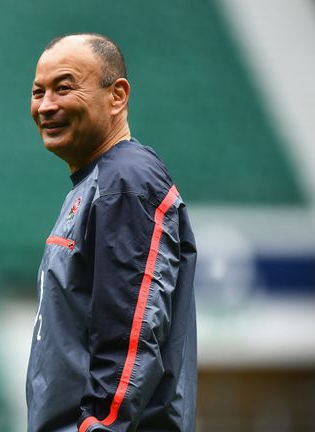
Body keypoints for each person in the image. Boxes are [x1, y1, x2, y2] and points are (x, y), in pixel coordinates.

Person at [25, 33, 197, 432]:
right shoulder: (98, 183)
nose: (46, 105)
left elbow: (132, 333)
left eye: (64, 87)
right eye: (38, 92)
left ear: (117, 95)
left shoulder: (126, 180)